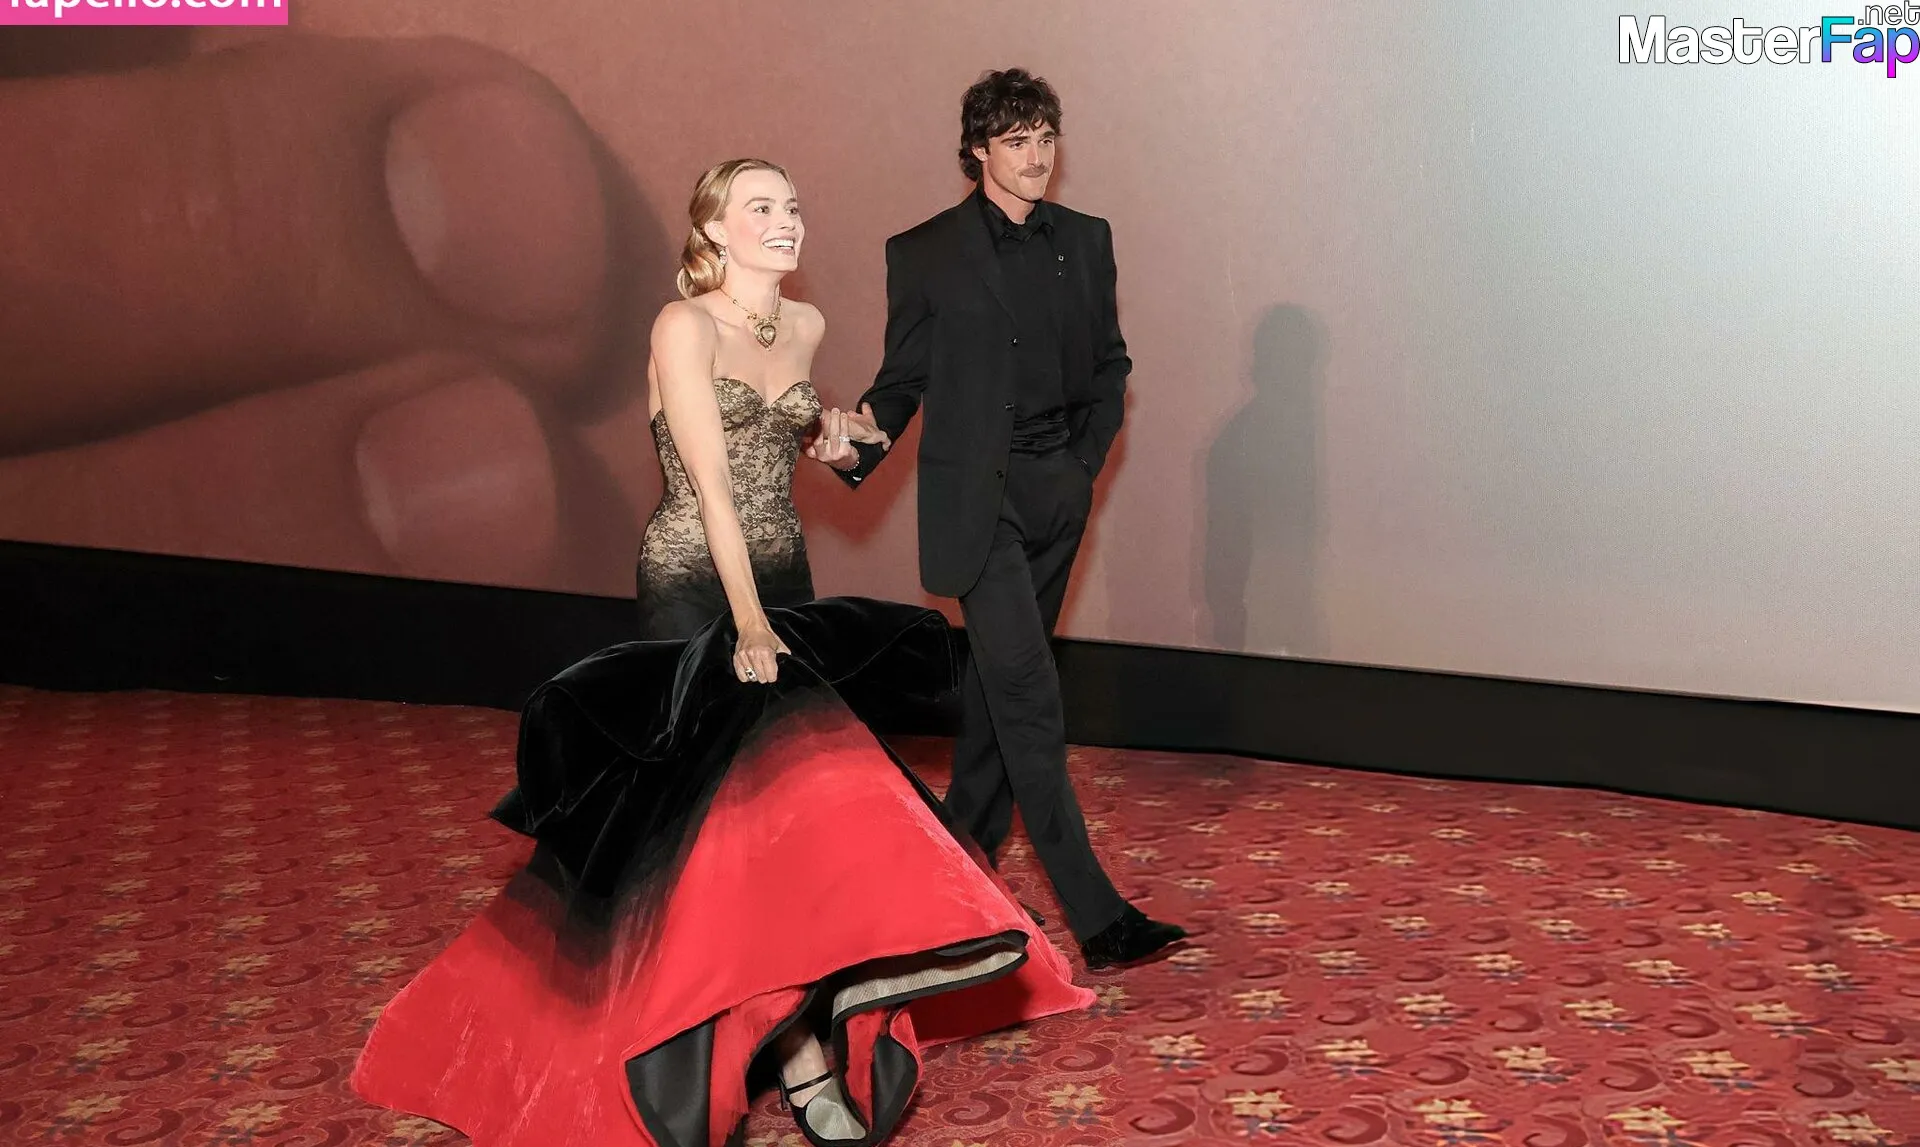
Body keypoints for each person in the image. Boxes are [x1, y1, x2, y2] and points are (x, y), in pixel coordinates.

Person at [350, 159, 1094, 1147]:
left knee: (780, 817)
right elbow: (709, 484)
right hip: (698, 584)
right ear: (713, 231)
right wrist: (746, 623)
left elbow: (811, 442)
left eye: (793, 205)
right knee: (740, 809)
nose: (787, 221)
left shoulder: (805, 325)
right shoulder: (683, 325)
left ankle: (801, 1016)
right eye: (761, 208)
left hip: (781, 578)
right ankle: (803, 1051)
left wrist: (843, 436)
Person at [809, 70, 1185, 970]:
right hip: (977, 508)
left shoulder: (1087, 241)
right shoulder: (925, 252)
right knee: (1027, 697)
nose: (1037, 156)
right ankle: (1099, 918)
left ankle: (940, 879)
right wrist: (858, 445)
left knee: (991, 705)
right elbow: (901, 384)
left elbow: (1110, 363)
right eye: (1017, 140)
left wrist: (1082, 466)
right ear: (978, 149)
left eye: (1046, 137)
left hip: (1057, 495)